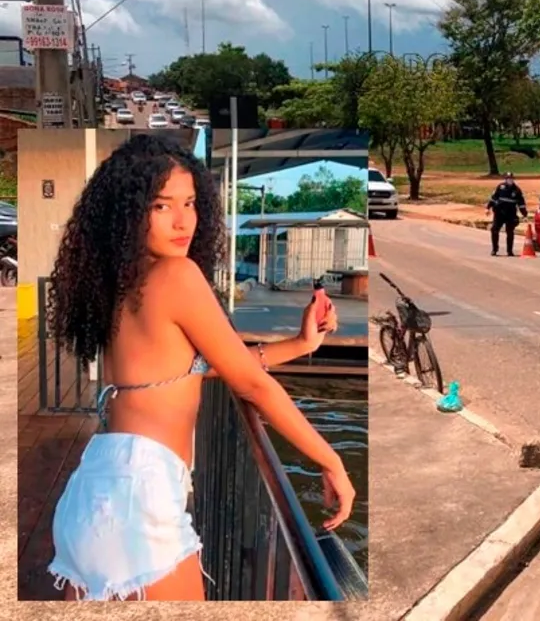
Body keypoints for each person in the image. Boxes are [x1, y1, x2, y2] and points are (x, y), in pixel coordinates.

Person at [45, 134, 354, 601]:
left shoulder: (121, 281)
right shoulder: (177, 276)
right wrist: (331, 462)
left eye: (189, 203)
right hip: (140, 499)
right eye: (161, 205)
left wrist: (301, 343)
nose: (183, 220)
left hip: (96, 486)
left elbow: (197, 367)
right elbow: (252, 386)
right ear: (129, 212)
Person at [486, 172, 528, 257]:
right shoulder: (500, 187)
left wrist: (524, 214)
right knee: (494, 230)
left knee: (510, 232)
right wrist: (488, 208)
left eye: (511, 178)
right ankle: (494, 249)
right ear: (505, 179)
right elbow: (493, 198)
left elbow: (521, 203)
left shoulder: (517, 190)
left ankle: (509, 251)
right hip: (499, 213)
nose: (509, 180)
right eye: (508, 178)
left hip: (511, 214)